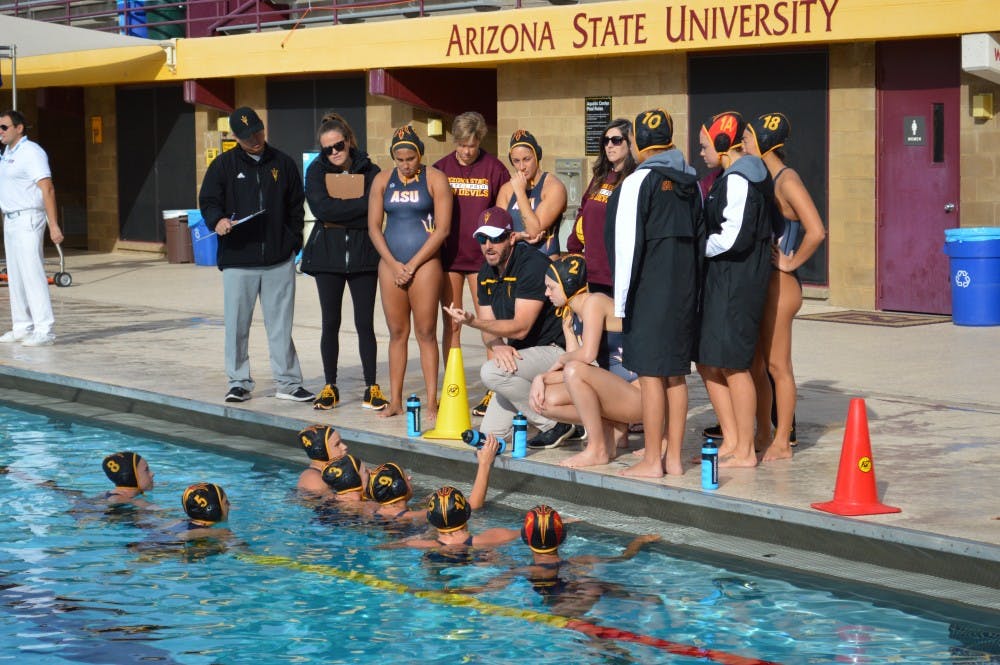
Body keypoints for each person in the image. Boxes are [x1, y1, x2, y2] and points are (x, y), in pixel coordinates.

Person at [604, 108, 703, 479]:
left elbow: (627, 247)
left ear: (637, 144)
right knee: (676, 375)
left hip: (648, 291)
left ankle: (651, 460)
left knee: (650, 376)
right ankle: (673, 459)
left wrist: (622, 301)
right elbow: (700, 240)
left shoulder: (637, 182)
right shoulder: (690, 181)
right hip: (683, 290)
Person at [199, 106, 313, 405]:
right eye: (248, 137)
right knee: (237, 325)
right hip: (239, 260)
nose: (256, 140)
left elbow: (295, 207)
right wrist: (218, 221)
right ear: (235, 137)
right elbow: (209, 201)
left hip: (278, 259)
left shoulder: (283, 163)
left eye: (258, 132)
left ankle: (288, 382)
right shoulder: (223, 166)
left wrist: (292, 244)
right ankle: (238, 382)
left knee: (281, 326)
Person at [443, 207, 573, 447]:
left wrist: (472, 322)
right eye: (483, 239)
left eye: (496, 238)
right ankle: (557, 422)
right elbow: (488, 329)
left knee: (491, 372)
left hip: (556, 351)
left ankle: (556, 423)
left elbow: (520, 328)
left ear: (512, 238)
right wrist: (497, 344)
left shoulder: (531, 265)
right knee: (491, 436)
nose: (488, 245)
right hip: (521, 355)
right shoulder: (486, 271)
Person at [744, 113, 826, 462]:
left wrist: (792, 262)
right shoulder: (763, 176)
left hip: (782, 284)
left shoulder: (786, 179)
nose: (743, 144)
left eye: (747, 137)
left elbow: (817, 230)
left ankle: (782, 440)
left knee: (778, 366)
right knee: (756, 365)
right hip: (764, 284)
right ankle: (762, 431)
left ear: (763, 141)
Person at [695, 111, 775, 469]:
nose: (700, 152)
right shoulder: (731, 177)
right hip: (722, 281)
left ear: (723, 142)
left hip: (738, 282)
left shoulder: (742, 178)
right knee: (708, 362)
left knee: (735, 366)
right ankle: (731, 438)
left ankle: (746, 449)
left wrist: (696, 245)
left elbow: (734, 237)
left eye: (704, 145)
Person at [302, 112, 388, 412]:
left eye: (338, 145)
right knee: (331, 322)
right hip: (328, 257)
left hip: (364, 254)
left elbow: (376, 205)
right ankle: (330, 384)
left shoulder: (371, 169)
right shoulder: (315, 172)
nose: (334, 153)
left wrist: (344, 208)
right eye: (327, 149)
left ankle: (371, 386)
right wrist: (358, 207)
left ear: (349, 141)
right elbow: (322, 210)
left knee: (365, 323)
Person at [368, 125, 453, 421]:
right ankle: (395, 401)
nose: (405, 165)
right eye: (400, 159)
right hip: (392, 264)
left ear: (420, 154)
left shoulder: (435, 179)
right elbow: (374, 228)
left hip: (425, 264)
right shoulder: (381, 180)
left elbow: (442, 229)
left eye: (410, 158)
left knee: (426, 332)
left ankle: (432, 400)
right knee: (397, 334)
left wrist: (413, 265)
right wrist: (393, 264)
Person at [433, 112, 511, 419]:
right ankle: (453, 387)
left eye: (473, 144)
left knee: (487, 323)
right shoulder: (441, 169)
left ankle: (495, 389)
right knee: (452, 324)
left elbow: (505, 212)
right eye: (462, 144)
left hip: (484, 260)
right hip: (450, 259)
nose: (467, 150)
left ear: (480, 140)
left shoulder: (493, 168)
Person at [459, 504, 661, 617]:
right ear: (563, 537)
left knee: (585, 628)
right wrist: (639, 540)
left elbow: (487, 588)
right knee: (644, 598)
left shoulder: (528, 571)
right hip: (589, 586)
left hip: (564, 603)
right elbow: (625, 557)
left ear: (525, 538)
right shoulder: (581, 560)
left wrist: (450, 592)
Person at [528, 254, 635, 465]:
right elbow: (575, 363)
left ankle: (598, 449)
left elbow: (586, 356)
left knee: (573, 371)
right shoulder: (571, 314)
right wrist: (542, 379)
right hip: (616, 391)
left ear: (567, 285)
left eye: (551, 287)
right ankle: (611, 426)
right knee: (544, 401)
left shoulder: (594, 302)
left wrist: (550, 370)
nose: (546, 293)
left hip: (637, 394)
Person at [0, 110, 63, 347]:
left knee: (32, 273)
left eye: (4, 127)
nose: (0, 132)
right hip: (10, 219)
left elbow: (47, 189)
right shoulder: (6, 154)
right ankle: (22, 326)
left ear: (19, 128)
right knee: (15, 275)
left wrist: (53, 225)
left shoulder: (32, 153)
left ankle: (44, 328)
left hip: (29, 218)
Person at [565, 118, 637, 295]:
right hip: (592, 269)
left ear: (630, 144)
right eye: (606, 141)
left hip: (617, 271)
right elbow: (583, 209)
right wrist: (573, 246)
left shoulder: (634, 178)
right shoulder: (600, 177)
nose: (609, 145)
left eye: (616, 140)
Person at [495, 130, 567, 256]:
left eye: (527, 159)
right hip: (514, 263)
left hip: (544, 264)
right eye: (516, 161)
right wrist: (519, 236)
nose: (522, 167)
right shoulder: (506, 190)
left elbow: (534, 231)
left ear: (537, 156)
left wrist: (520, 193)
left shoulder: (553, 187)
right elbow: (497, 234)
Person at [296, 424, 350, 497]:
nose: (344, 447)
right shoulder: (313, 478)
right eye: (337, 444)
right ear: (321, 451)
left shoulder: (329, 473)